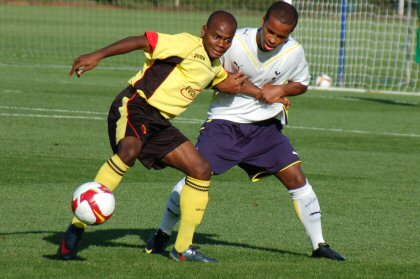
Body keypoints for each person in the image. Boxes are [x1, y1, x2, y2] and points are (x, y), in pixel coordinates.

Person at [145, 1, 345, 261]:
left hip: (265, 129)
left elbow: (302, 83)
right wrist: (235, 86)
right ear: (263, 21)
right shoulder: (235, 42)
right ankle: (163, 233)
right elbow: (206, 72)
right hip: (224, 124)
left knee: (296, 177)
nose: (274, 39)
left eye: (282, 36)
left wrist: (282, 90)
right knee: (197, 175)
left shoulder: (294, 52)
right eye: (271, 31)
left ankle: (320, 245)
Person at [57, 10, 249, 263]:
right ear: (204, 31)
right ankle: (75, 230)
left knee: (201, 169)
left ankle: (182, 250)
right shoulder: (185, 44)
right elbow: (141, 40)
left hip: (159, 124)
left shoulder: (214, 66)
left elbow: (227, 82)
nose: (221, 44)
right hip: (136, 105)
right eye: (216, 36)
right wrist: (98, 55)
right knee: (129, 151)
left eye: (227, 40)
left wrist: (271, 93)